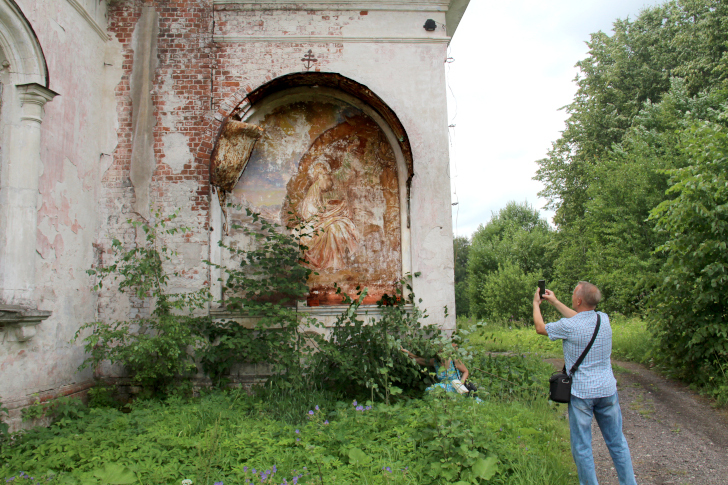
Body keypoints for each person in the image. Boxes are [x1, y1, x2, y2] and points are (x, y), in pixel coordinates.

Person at [533, 281, 637, 485]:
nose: (572, 296)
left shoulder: (569, 326)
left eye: (573, 293)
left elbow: (540, 328)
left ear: (579, 300)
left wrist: (536, 304)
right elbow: (580, 318)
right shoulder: (603, 319)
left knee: (582, 447)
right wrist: (555, 302)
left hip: (582, 394)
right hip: (607, 390)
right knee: (617, 443)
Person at [401, 343, 471, 395]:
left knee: (436, 388)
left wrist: (461, 382)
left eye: (442, 351)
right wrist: (407, 353)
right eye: (438, 352)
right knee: (430, 390)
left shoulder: (454, 361)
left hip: (456, 388)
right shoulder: (435, 362)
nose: (440, 354)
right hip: (443, 388)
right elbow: (420, 360)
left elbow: (466, 371)